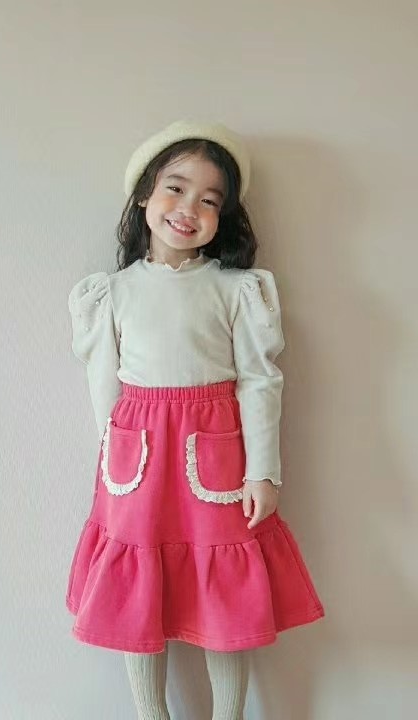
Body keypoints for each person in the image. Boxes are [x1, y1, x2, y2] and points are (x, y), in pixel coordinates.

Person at [65, 120, 325, 720]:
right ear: (144, 195)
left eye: (210, 200)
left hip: (217, 459)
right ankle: (151, 714)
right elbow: (103, 386)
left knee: (224, 594)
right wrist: (113, 461)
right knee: (136, 585)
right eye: (176, 189)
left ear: (223, 216)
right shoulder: (112, 293)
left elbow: (260, 380)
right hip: (136, 461)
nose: (189, 209)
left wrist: (264, 471)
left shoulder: (236, 290)